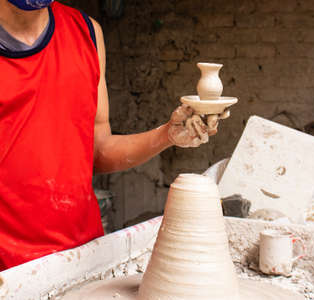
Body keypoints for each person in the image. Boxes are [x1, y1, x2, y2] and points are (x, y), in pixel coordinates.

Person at [0, 0, 228, 271]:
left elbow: (99, 150)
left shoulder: (86, 33)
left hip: (81, 257)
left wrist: (168, 134)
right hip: (8, 271)